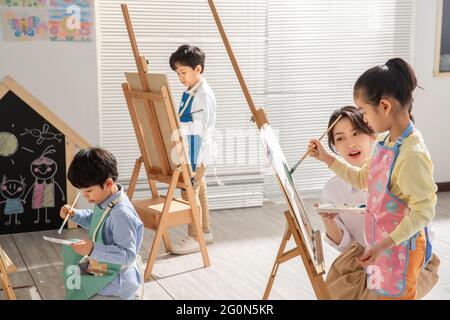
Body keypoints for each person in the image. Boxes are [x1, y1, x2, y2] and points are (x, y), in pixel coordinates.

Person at [309, 58, 437, 299]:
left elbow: (424, 212)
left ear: (385, 106)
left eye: (365, 113)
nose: (365, 120)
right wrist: (326, 158)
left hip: (402, 247)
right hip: (382, 244)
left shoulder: (412, 155)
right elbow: (362, 179)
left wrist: (384, 244)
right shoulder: (385, 143)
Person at [60, 147, 144, 300]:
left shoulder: (121, 214)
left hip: (117, 277)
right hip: (105, 265)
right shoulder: (107, 200)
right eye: (82, 192)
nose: (85, 197)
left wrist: (93, 248)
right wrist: (75, 214)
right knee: (73, 259)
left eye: (89, 191)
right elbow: (98, 220)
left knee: (78, 279)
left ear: (108, 183)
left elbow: (128, 255)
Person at [169, 44, 217, 254]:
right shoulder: (190, 91)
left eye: (183, 72)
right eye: (178, 73)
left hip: (198, 149)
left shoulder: (203, 94)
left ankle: (196, 236)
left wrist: (175, 125)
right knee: (200, 190)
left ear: (198, 69)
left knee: (190, 191)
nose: (181, 77)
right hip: (191, 147)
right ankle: (204, 232)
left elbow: (200, 126)